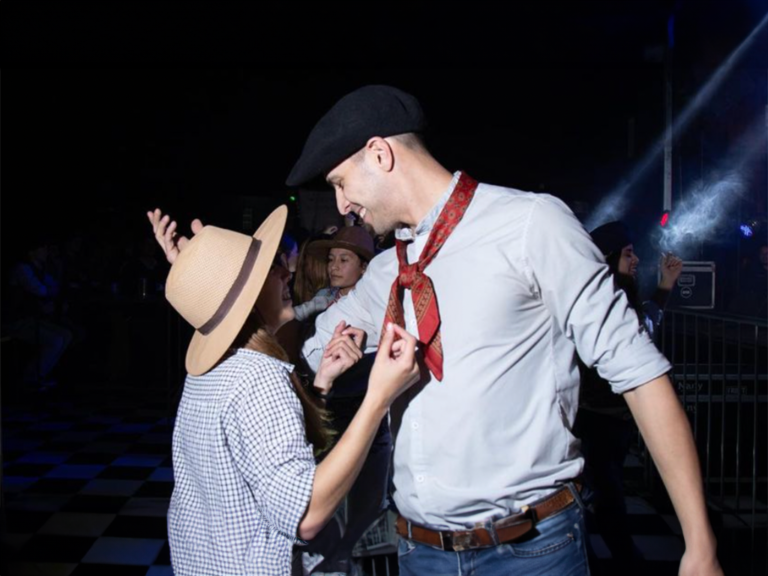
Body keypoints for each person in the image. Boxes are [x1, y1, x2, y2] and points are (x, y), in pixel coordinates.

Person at [151, 85, 722, 576]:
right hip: (419, 552)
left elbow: (639, 373)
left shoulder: (530, 226)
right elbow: (294, 348)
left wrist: (698, 543)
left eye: (342, 183)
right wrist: (219, 296)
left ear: (380, 154)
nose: (342, 206)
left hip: (530, 550)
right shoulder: (385, 274)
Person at [151, 205, 420, 576]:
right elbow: (305, 515)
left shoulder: (211, 372)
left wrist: (322, 382)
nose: (285, 272)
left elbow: (265, 460)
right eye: (269, 269)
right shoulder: (259, 377)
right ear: (246, 298)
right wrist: (379, 398)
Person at [577, 221, 682, 573]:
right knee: (604, 496)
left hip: (611, 417)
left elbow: (642, 329)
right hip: (595, 417)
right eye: (628, 254)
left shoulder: (620, 295)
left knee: (603, 493)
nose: (635, 260)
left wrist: (665, 286)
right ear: (609, 257)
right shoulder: (601, 300)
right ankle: (621, 563)